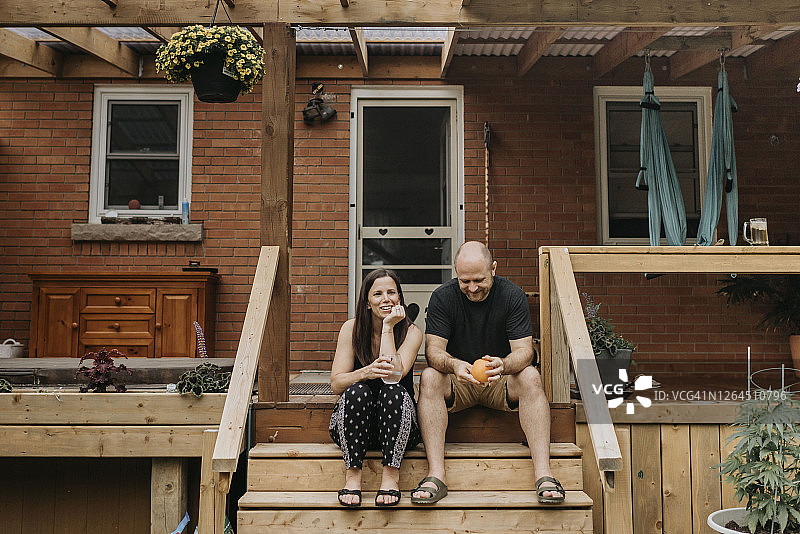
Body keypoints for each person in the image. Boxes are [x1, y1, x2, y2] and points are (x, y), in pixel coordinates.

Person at [410, 241, 565, 505]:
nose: (472, 288)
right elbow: (434, 351)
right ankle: (436, 474)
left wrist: (503, 365)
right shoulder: (443, 297)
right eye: (464, 281)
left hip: (500, 381)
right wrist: (455, 365)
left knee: (530, 376)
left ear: (493, 268)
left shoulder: (512, 295)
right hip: (459, 381)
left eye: (479, 280)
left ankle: (544, 474)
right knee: (430, 376)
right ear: (456, 273)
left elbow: (525, 352)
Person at [329, 269, 423, 508]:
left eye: (392, 292)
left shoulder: (411, 332)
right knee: (356, 390)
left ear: (400, 298)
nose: (386, 299)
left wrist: (388, 327)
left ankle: (391, 476)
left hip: (398, 428)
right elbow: (336, 384)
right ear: (367, 302)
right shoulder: (351, 329)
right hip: (355, 426)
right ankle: (353, 476)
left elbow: (393, 375)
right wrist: (365, 372)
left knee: (393, 392)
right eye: (378, 294)